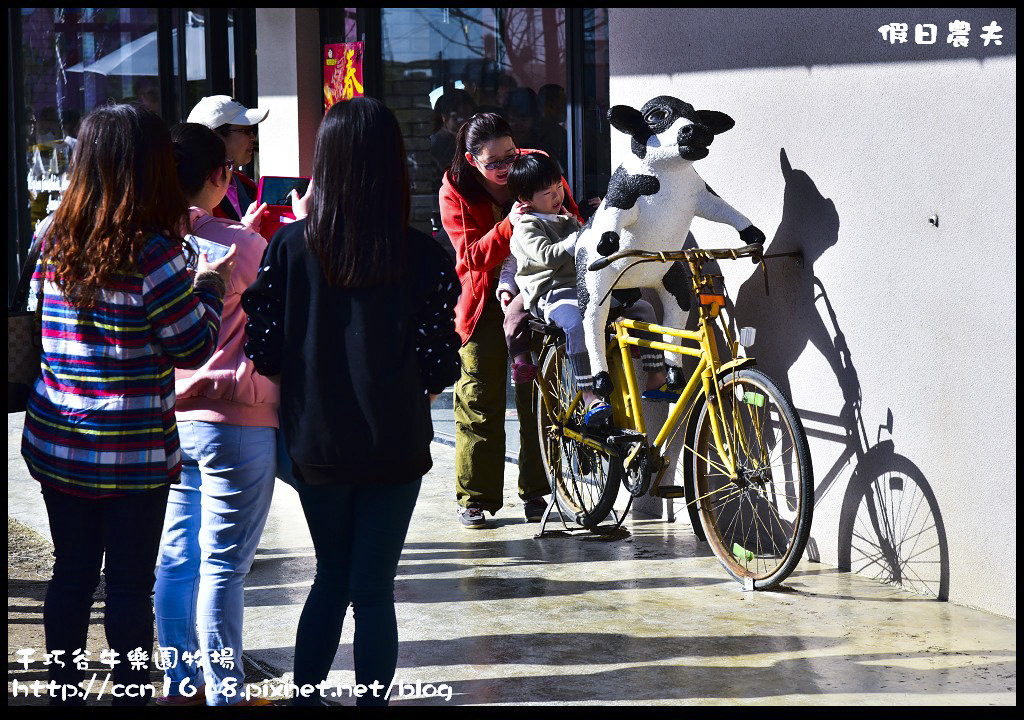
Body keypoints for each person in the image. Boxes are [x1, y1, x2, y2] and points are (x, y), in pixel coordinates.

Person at [241, 97, 460, 707]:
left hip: (318, 442)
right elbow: (443, 358)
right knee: (374, 587)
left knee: (330, 576)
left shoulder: (289, 250)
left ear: (326, 164)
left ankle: (305, 699)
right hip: (395, 442)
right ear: (394, 164)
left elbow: (265, 350)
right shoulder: (423, 256)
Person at [20, 103, 234, 707]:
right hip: (133, 453)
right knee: (128, 590)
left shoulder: (51, 235)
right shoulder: (154, 251)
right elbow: (191, 345)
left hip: (58, 439)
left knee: (70, 575)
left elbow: (41, 326)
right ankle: (134, 696)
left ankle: (63, 694)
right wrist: (211, 287)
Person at [151, 123, 279, 706]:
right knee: (224, 565)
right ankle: (225, 692)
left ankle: (182, 682)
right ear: (219, 176)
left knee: (177, 557)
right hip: (238, 421)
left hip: (174, 415)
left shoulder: (151, 242)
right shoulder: (246, 246)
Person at [439, 112, 581, 529]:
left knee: (539, 395)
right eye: (494, 162)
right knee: (480, 398)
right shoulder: (456, 190)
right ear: (471, 160)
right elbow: (470, 259)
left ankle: (538, 492)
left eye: (510, 155)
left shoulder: (535, 163)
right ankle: (475, 498)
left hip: (540, 292)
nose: (504, 168)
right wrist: (507, 227)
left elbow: (566, 214)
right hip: (484, 301)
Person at [506, 152, 674, 428]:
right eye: (547, 192)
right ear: (525, 199)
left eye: (559, 187)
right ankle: (589, 394)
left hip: (581, 286)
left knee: (643, 307)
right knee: (576, 322)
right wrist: (580, 236)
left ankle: (656, 374)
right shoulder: (527, 226)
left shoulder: (567, 218)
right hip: (551, 291)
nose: (557, 195)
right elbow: (548, 256)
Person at [187, 95, 269, 225]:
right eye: (247, 131)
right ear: (215, 135)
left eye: (253, 130)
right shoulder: (192, 192)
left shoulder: (248, 186)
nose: (253, 137)